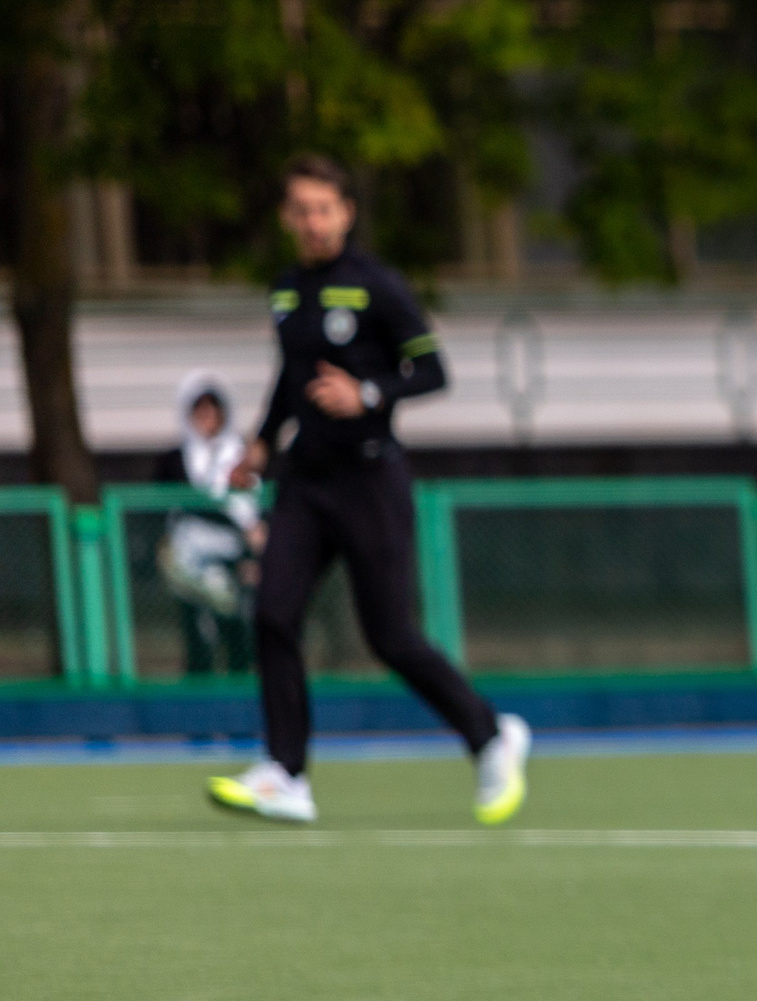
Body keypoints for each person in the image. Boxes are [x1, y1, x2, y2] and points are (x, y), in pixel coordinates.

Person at [207, 154, 531, 826]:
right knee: (272, 613)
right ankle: (286, 774)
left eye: (324, 208)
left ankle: (490, 736)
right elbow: (290, 378)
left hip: (370, 480)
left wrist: (370, 393)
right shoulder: (287, 290)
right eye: (301, 209)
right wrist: (262, 442)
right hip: (305, 481)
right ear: (286, 217)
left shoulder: (377, 285)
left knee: (391, 637)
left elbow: (434, 371)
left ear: (346, 212)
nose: (313, 221)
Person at [155, 372, 263, 675]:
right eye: (199, 409)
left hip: (234, 558)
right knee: (200, 635)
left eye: (213, 408)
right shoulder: (174, 460)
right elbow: (173, 508)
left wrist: (251, 553)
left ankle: (241, 710)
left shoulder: (241, 455)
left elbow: (255, 512)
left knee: (239, 631)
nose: (207, 417)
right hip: (191, 561)